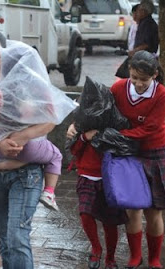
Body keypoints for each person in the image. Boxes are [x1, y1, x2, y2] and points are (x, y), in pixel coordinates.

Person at [0, 31, 75, 269]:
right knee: (6, 238)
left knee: (17, 237)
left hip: (26, 173)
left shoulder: (28, 80)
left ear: (8, 55)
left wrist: (22, 136)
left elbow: (50, 119)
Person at [0, 41, 65, 211]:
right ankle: (49, 191)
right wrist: (9, 140)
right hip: (26, 150)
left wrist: (4, 137)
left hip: (17, 161)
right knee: (56, 156)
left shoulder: (3, 92)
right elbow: (50, 114)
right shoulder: (28, 85)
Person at [109, 51, 165, 269]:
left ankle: (155, 258)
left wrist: (119, 136)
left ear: (154, 75)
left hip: (154, 150)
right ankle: (135, 256)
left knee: (154, 211)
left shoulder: (163, 94)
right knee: (132, 208)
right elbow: (104, 111)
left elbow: (151, 127)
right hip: (129, 153)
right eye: (134, 78)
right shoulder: (118, 88)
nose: (138, 84)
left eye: (143, 80)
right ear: (129, 72)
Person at [66, 98, 128, 268]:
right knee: (85, 213)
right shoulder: (79, 128)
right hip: (86, 177)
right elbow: (73, 149)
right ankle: (96, 248)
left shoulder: (114, 126)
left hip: (109, 180)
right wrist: (84, 137)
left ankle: (110, 258)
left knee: (110, 222)